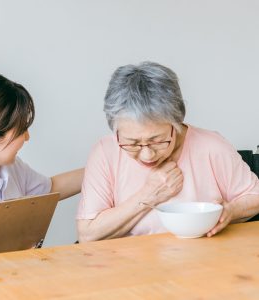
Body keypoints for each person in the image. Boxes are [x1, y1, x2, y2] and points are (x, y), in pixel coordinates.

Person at [77, 61, 259, 242]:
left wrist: (230, 211)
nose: (147, 155)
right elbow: (88, 234)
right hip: (128, 265)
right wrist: (150, 194)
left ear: (176, 122)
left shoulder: (211, 146)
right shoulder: (105, 152)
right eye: (132, 143)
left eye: (157, 141)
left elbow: (255, 197)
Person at [0, 71, 83, 256]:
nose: (27, 137)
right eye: (20, 131)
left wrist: (105, 167)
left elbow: (50, 188)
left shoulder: (10, 166)